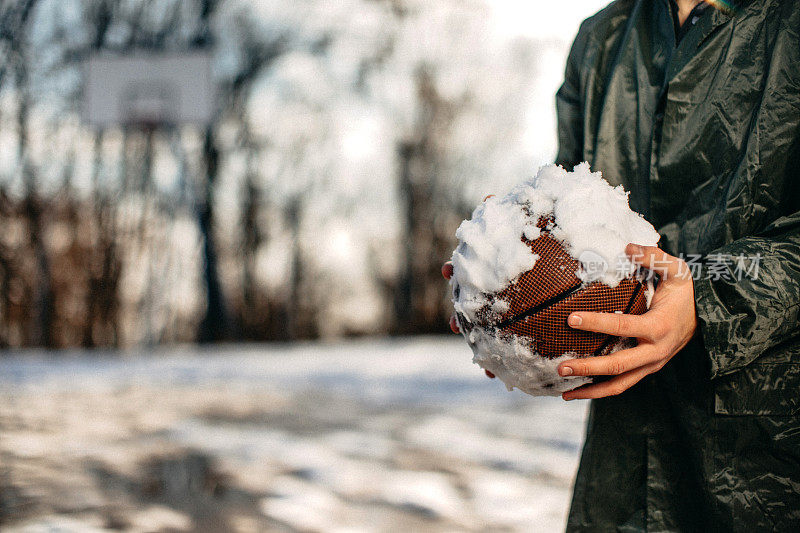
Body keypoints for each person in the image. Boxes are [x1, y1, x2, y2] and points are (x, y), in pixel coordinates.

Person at [443, 0, 800, 530]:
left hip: (770, 460)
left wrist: (705, 294)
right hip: (622, 472)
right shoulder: (600, 40)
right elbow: (568, 220)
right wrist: (509, 280)